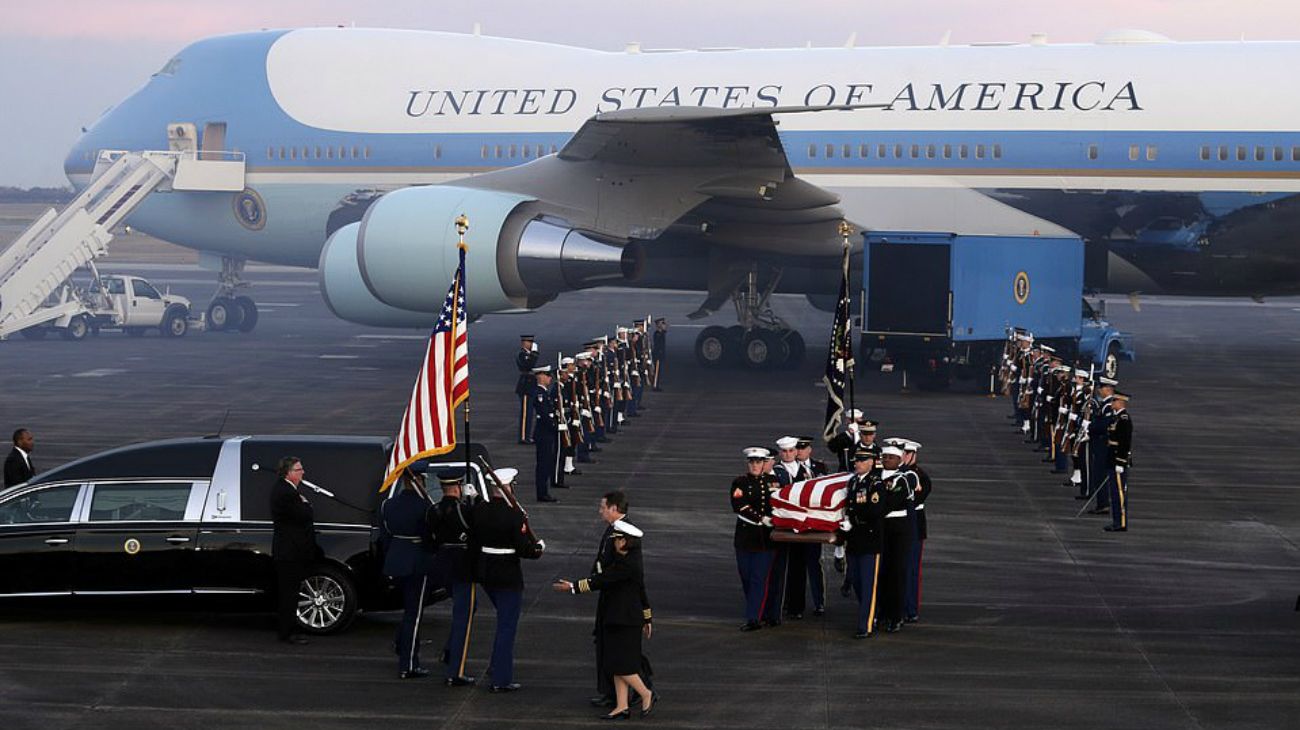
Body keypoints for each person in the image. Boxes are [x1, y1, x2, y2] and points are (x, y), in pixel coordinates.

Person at [555, 519, 656, 720]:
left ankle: (646, 693)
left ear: (627, 542)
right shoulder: (624, 561)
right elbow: (641, 591)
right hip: (616, 618)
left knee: (622, 664)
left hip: (625, 620)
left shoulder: (627, 565)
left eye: (618, 539)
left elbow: (601, 580)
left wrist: (573, 587)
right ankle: (621, 706)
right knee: (614, 664)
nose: (615, 543)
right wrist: (647, 617)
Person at [469, 468, 545, 692]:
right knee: (506, 627)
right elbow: (523, 549)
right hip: (507, 576)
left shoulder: (481, 510)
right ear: (508, 487)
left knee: (504, 622)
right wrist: (538, 549)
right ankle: (501, 678)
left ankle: (496, 664)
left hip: (486, 573)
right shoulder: (514, 515)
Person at [588, 491, 654, 707]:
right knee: (609, 649)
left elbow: (632, 576)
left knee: (622, 654)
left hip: (621, 605)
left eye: (603, 507)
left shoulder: (624, 534)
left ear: (614, 508)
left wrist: (646, 614)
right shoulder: (614, 530)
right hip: (612, 601)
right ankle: (616, 697)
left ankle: (643, 691)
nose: (600, 511)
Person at [379, 469, 434, 678]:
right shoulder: (425, 508)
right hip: (417, 564)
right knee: (414, 614)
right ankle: (408, 663)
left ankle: (402, 645)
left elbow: (385, 537)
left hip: (395, 561)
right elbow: (430, 540)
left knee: (409, 611)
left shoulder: (388, 505)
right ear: (420, 481)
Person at [431, 468, 478, 687]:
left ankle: (450, 650)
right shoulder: (464, 510)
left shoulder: (434, 510)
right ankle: (455, 671)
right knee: (463, 618)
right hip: (462, 567)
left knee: (469, 607)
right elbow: (476, 530)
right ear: (458, 487)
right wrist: (475, 501)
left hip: (442, 566)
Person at [840, 447, 890, 638]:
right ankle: (873, 612)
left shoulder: (875, 484)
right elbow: (849, 505)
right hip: (854, 539)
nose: (857, 463)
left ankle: (866, 625)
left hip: (869, 539)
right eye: (856, 460)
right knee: (857, 581)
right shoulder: (853, 482)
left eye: (861, 460)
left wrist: (853, 519)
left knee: (868, 584)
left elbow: (875, 510)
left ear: (871, 463)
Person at [270, 456, 317, 645]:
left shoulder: (285, 490)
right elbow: (304, 515)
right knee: (289, 593)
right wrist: (306, 504)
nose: (302, 472)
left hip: (288, 550)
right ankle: (287, 631)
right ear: (288, 472)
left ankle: (288, 629)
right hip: (289, 552)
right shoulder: (287, 493)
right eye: (298, 469)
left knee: (290, 592)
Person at [733, 447, 777, 631]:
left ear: (764, 463)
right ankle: (762, 611)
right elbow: (739, 506)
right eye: (752, 462)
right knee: (746, 578)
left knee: (759, 579)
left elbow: (778, 501)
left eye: (758, 462)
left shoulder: (772, 481)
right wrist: (761, 518)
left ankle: (754, 618)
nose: (755, 465)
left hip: (765, 540)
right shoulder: (740, 483)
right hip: (745, 537)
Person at [877, 446, 914, 633]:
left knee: (896, 573)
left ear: (900, 460)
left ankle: (895, 616)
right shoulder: (876, 476)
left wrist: (872, 510)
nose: (887, 460)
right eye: (885, 456)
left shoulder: (904, 479)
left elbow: (891, 501)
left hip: (898, 530)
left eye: (891, 457)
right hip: (880, 528)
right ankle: (881, 612)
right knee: (880, 573)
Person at [1105, 392, 1134, 532]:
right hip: (1112, 458)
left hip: (1118, 459)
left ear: (1121, 402)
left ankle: (1121, 522)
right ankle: (1116, 520)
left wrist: (1120, 462)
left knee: (1119, 494)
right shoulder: (1116, 418)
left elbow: (1124, 443)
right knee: (1115, 493)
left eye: (1114, 401)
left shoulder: (1124, 419)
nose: (1112, 403)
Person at [532, 365, 560, 503]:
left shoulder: (544, 393)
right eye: (547, 375)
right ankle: (542, 493)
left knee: (546, 463)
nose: (550, 378)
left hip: (546, 432)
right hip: (544, 432)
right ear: (541, 376)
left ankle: (544, 491)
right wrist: (555, 425)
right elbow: (544, 414)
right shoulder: (540, 394)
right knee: (543, 464)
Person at [516, 335, 539, 444]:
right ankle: (523, 436)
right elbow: (528, 365)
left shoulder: (528, 354)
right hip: (525, 386)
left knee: (530, 413)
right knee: (526, 413)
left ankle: (528, 435)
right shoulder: (522, 354)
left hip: (531, 385)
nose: (530, 344)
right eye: (528, 342)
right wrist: (534, 354)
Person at [651, 318, 667, 391]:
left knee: (659, 371)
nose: (664, 325)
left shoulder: (661, 333)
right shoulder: (657, 334)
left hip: (660, 354)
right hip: (658, 355)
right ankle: (655, 385)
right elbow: (658, 346)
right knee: (657, 371)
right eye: (662, 323)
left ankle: (656, 384)